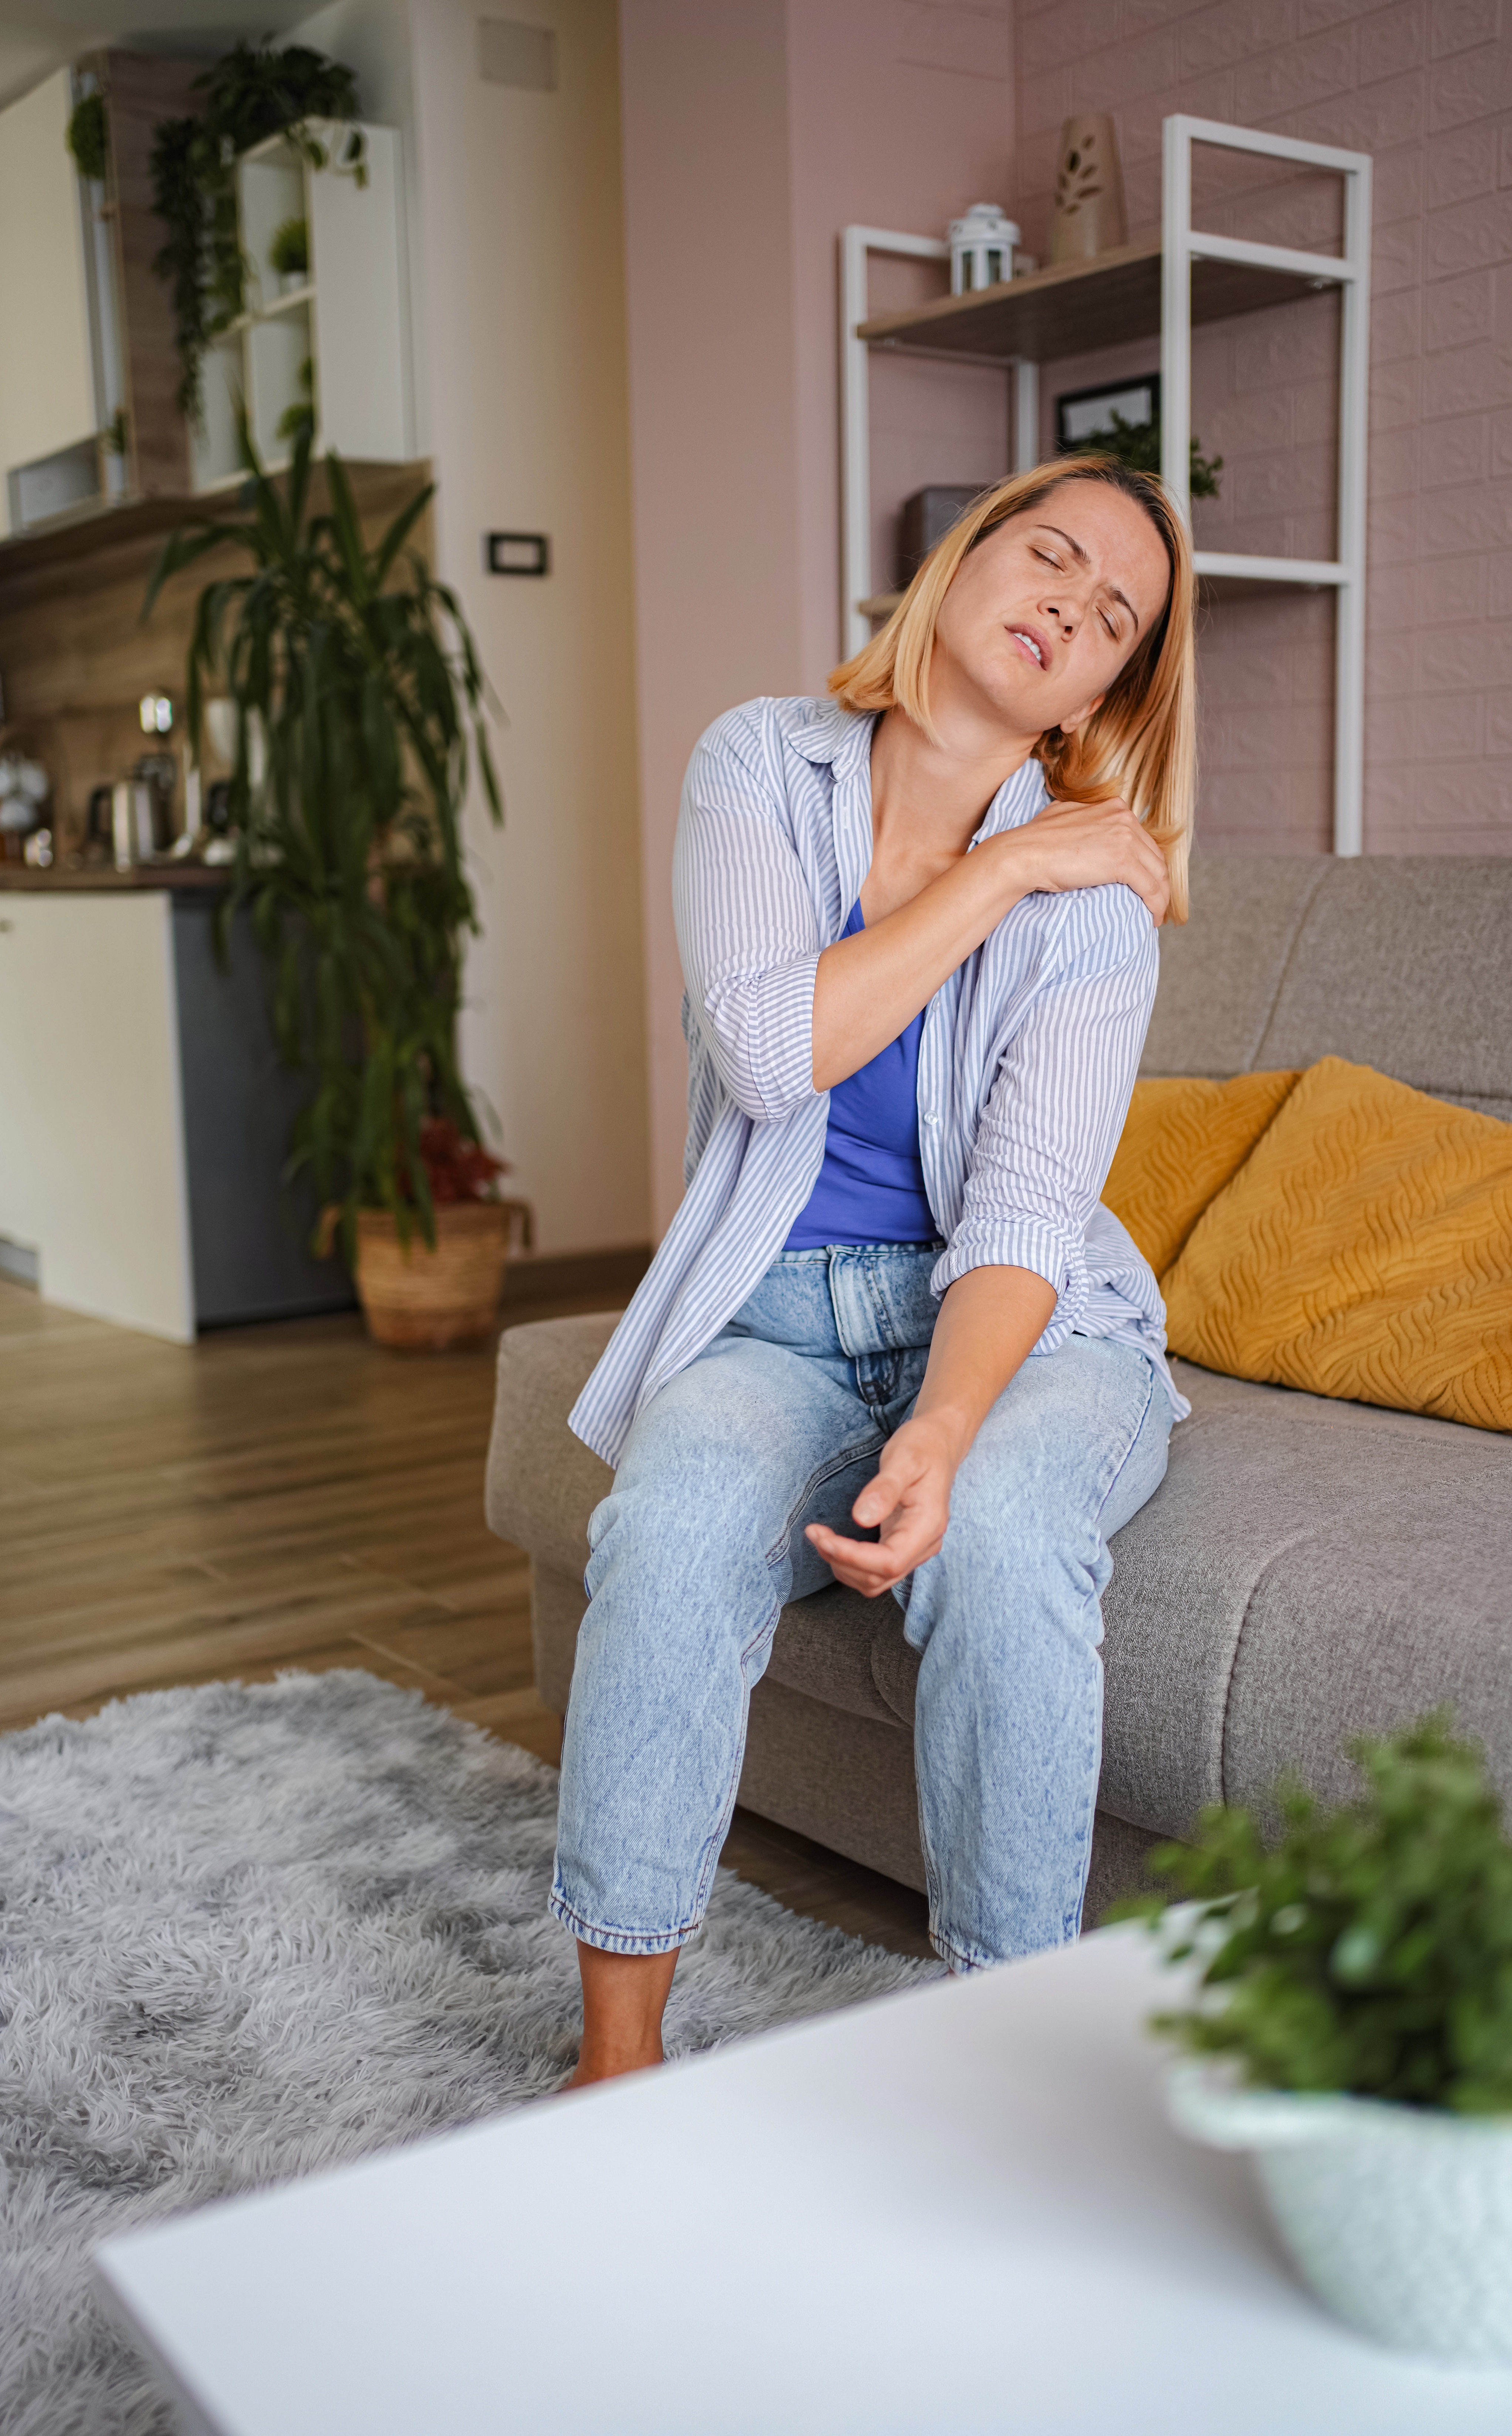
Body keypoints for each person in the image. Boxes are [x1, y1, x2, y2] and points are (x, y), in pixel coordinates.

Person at [556, 454, 1196, 2085]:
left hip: (1024, 1336)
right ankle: (613, 2071)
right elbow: (774, 1053)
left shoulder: (1098, 910)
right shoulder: (758, 765)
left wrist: (941, 1427)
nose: (1070, 600)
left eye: (1114, 610)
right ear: (962, 561)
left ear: (1105, 687)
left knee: (992, 1525)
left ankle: (1004, 2065)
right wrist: (997, 871)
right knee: (674, 1524)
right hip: (773, 1323)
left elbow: (1024, 1214)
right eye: (1048, 554)